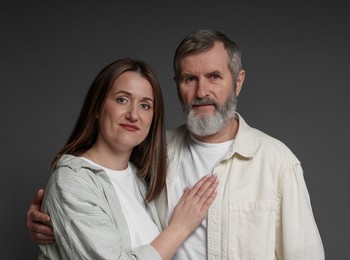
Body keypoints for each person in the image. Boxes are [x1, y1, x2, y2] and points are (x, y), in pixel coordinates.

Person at [27, 29, 325, 259]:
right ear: (177, 85)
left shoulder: (276, 161)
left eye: (214, 77)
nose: (201, 91)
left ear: (238, 82)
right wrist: (55, 221)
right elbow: (94, 196)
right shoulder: (152, 153)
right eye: (189, 79)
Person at [35, 58, 219, 260]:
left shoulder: (141, 179)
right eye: (122, 100)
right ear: (97, 107)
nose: (133, 115)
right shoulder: (71, 181)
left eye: (145, 105)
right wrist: (180, 227)